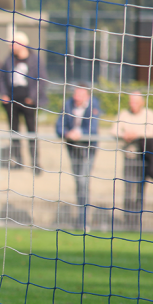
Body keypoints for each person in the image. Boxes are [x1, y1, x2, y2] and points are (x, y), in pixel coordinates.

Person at [0, 31, 47, 173]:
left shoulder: (34, 59)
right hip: (12, 101)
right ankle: (17, 160)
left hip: (29, 102)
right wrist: (4, 94)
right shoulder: (9, 60)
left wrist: (32, 97)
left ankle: (35, 162)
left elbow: (41, 80)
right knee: (14, 132)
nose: (10, 47)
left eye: (12, 44)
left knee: (31, 132)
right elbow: (2, 78)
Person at [55, 85, 101, 231]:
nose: (77, 97)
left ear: (86, 95)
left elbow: (93, 128)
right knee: (79, 183)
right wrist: (68, 133)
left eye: (80, 94)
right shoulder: (67, 104)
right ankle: (81, 220)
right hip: (73, 149)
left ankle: (84, 221)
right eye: (76, 94)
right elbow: (58, 126)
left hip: (88, 150)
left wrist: (80, 132)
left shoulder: (94, 105)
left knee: (83, 181)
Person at [112, 91, 153, 227]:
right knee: (128, 189)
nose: (133, 105)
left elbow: (152, 131)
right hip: (129, 157)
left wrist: (136, 134)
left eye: (136, 102)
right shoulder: (124, 114)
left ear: (142, 102)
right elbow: (113, 129)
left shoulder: (149, 114)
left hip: (144, 158)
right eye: (131, 102)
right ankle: (128, 220)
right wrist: (124, 135)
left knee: (140, 189)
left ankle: (137, 221)